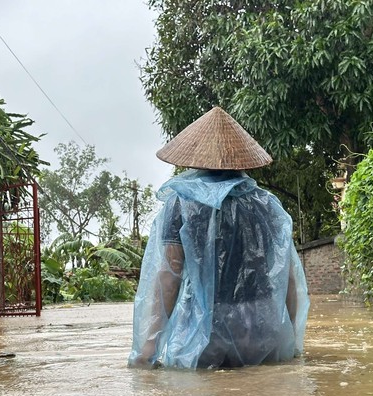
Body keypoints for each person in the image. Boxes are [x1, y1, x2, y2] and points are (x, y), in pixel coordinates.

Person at [128, 107, 309, 369]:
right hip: (262, 330)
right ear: (241, 160)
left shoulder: (181, 203)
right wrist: (289, 339)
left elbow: (169, 277)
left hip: (204, 334)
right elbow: (289, 278)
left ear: (193, 157)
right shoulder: (267, 205)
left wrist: (147, 350)